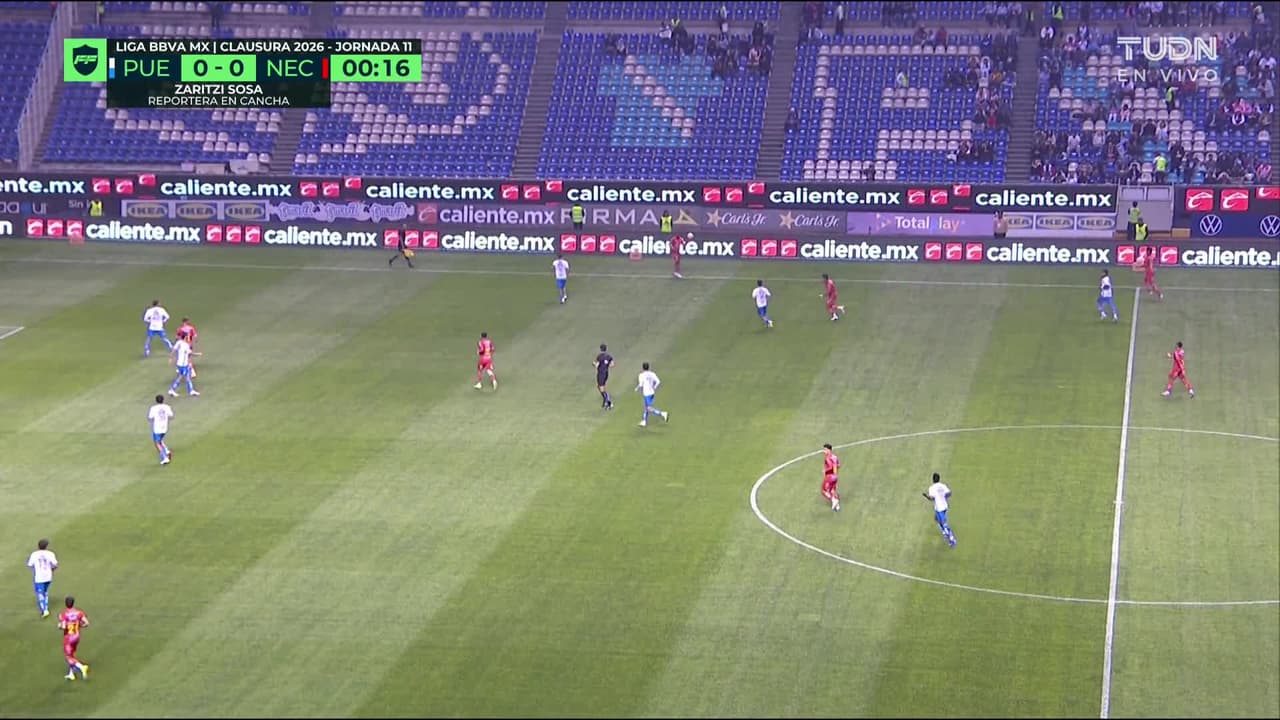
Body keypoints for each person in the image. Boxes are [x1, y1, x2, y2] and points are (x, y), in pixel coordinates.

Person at [58, 596, 90, 681]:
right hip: (76, 636)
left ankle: (81, 667)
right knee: (72, 654)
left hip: (68, 637)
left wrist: (59, 626)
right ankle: (71, 674)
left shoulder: (64, 614)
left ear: (66, 604)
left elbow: (64, 627)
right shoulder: (79, 613)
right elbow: (86, 623)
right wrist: (79, 626)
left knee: (68, 657)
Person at [923, 472, 957, 547]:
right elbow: (949, 493)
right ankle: (945, 533)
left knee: (944, 523)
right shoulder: (943, 486)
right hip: (945, 506)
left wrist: (926, 496)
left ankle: (952, 539)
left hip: (939, 508)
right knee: (937, 519)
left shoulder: (931, 488)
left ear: (933, 479)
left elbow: (931, 498)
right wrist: (944, 497)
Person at [26, 539, 58, 618]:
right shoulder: (50, 553)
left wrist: (36, 568)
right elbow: (55, 564)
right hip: (48, 576)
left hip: (39, 577)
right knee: (45, 592)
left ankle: (45, 610)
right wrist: (52, 569)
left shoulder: (34, 554)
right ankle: (45, 607)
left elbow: (30, 565)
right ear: (46, 546)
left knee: (40, 594)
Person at [634, 361, 668, 428]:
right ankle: (644, 421)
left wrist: (637, 388)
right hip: (652, 393)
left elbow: (641, 384)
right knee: (646, 407)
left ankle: (662, 414)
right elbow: (658, 381)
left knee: (649, 408)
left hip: (646, 394)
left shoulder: (641, 375)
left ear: (642, 368)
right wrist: (654, 387)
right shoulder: (652, 374)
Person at [148, 394, 174, 465]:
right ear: (163, 400)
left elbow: (150, 417)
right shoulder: (167, 407)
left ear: (156, 400)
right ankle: (167, 451)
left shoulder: (153, 408)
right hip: (164, 427)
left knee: (157, 443)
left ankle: (164, 457)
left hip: (157, 428)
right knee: (160, 440)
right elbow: (171, 415)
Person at [594, 343, 614, 410]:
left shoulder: (599, 356)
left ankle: (609, 403)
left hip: (601, 374)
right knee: (599, 386)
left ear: (600, 349)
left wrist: (594, 364)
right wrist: (606, 366)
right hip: (606, 373)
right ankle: (605, 400)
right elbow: (612, 365)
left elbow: (597, 365)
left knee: (601, 389)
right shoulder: (609, 356)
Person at [821, 443, 841, 511]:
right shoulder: (835, 457)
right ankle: (837, 506)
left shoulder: (828, 458)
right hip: (835, 476)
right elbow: (838, 465)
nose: (824, 451)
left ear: (829, 450)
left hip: (829, 476)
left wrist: (825, 470)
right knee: (833, 490)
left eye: (825, 449)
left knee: (824, 491)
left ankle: (834, 500)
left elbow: (830, 467)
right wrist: (835, 474)